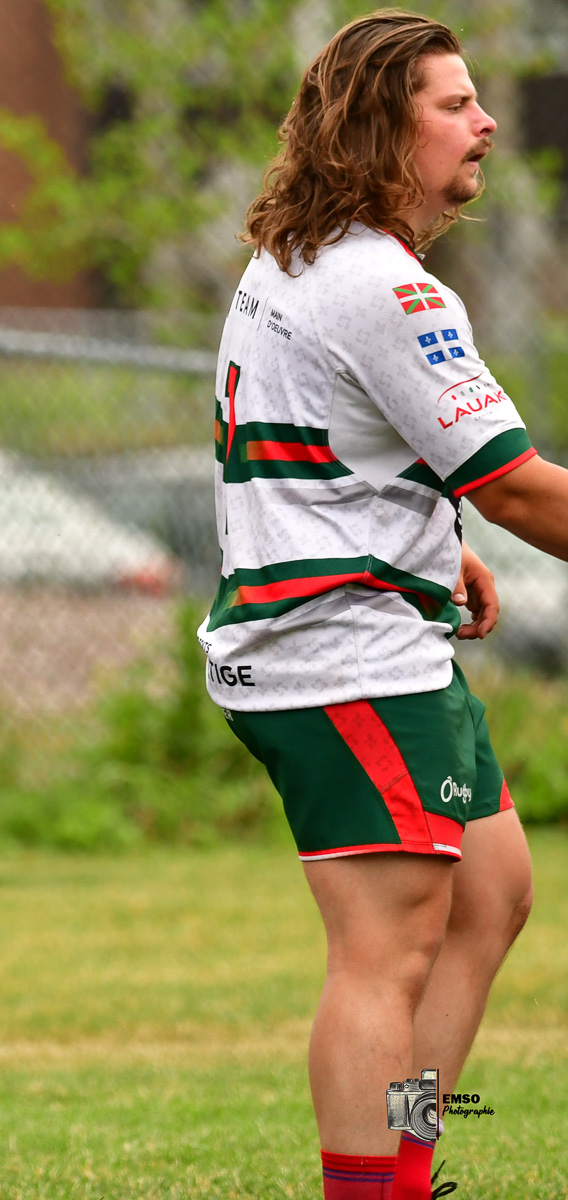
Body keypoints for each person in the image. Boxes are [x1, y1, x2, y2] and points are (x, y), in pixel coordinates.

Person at [204, 12, 568, 1198]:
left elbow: (325, 440)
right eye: (455, 105)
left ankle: (406, 1154)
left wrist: (428, 533)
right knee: (387, 949)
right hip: (342, 659)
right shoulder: (388, 288)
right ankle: (381, 1187)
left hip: (372, 638)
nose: (487, 122)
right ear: (380, 128)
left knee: (494, 893)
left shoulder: (302, 255)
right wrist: (460, 518)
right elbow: (519, 487)